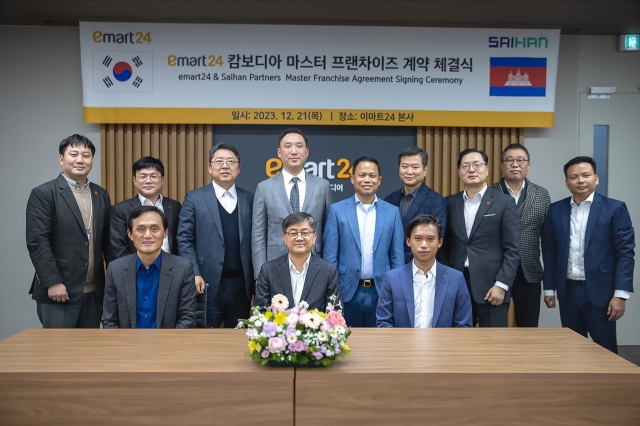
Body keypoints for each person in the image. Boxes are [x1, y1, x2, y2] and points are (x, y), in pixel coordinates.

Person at [542, 156, 634, 353]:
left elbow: (625, 253)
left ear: (596, 178)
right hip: (568, 291)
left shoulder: (614, 209)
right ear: (567, 183)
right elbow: (549, 250)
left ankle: (609, 384)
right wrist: (549, 288)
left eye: (586, 175)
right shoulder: (555, 210)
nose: (580, 180)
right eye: (573, 177)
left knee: (605, 350)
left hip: (602, 292)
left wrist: (621, 294)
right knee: (572, 349)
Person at [26, 134, 111, 328]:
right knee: (59, 354)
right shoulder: (44, 193)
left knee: (88, 352)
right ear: (61, 159)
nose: (80, 160)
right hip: (59, 291)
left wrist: (112, 286)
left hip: (94, 292)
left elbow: (107, 242)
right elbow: (37, 242)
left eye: (86, 155)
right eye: (74, 154)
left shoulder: (100, 194)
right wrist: (53, 282)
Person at [439, 148, 521, 327]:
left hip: (492, 287)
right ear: (459, 172)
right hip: (456, 284)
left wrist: (501, 285)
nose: (471, 170)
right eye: (465, 166)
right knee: (456, 344)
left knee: (492, 347)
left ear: (487, 169)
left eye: (477, 165)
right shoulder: (449, 203)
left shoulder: (504, 203)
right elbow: (444, 247)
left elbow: (513, 250)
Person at [177, 143, 254, 328]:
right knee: (204, 340)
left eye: (231, 161)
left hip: (241, 285)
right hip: (205, 283)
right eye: (219, 161)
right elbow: (184, 238)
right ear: (210, 168)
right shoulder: (194, 198)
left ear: (239, 168)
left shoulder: (250, 199)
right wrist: (194, 273)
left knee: (238, 339)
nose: (225, 166)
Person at [323, 156, 404, 327]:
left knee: (380, 344)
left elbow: (397, 256)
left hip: (381, 291)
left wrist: (396, 290)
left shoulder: (392, 212)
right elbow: (330, 257)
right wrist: (333, 291)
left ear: (379, 180)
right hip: (346, 291)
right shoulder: (337, 210)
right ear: (352, 178)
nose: (367, 179)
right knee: (349, 343)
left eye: (372, 175)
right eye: (362, 175)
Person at [252, 128, 333, 279]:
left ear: (307, 152)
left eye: (299, 146)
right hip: (275, 265)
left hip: (315, 266)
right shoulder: (264, 188)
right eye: (288, 146)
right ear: (279, 152)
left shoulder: (322, 186)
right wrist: (259, 274)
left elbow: (329, 233)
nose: (294, 151)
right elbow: (258, 234)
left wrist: (327, 270)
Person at [103, 206, 196, 328]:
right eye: (141, 229)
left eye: (154, 229)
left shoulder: (183, 268)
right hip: (127, 345)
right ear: (130, 234)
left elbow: (187, 318)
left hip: (169, 344)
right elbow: (110, 321)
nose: (147, 235)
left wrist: (167, 345)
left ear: (165, 233)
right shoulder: (115, 269)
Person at [377, 215, 472, 328]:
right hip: (403, 344)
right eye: (418, 239)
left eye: (430, 239)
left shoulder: (456, 278)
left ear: (440, 242)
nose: (424, 245)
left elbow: (463, 325)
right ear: (408, 241)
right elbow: (384, 323)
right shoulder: (392, 278)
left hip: (442, 344)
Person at [492, 144, 550, 327]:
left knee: (529, 327)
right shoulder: (490, 193)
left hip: (529, 271)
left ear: (528, 165)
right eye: (509, 160)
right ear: (502, 166)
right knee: (495, 327)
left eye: (520, 160)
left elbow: (548, 239)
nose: (515, 164)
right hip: (496, 271)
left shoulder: (541, 194)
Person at [254, 212, 342, 311]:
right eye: (293, 233)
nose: (299, 238)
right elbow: (260, 312)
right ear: (284, 238)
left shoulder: (328, 271)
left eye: (305, 233)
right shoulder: (268, 270)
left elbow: (335, 313)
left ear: (314, 237)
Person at [106, 156, 181, 263]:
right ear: (135, 180)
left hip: (170, 270)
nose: (148, 181)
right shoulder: (120, 210)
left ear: (162, 179)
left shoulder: (174, 206)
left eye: (154, 176)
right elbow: (117, 248)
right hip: (135, 272)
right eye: (143, 176)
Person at [385, 147, 447, 263]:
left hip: (421, 267)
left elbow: (434, 239)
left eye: (415, 167)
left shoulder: (437, 201)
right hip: (391, 269)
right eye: (404, 167)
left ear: (425, 170)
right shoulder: (389, 199)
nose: (409, 171)